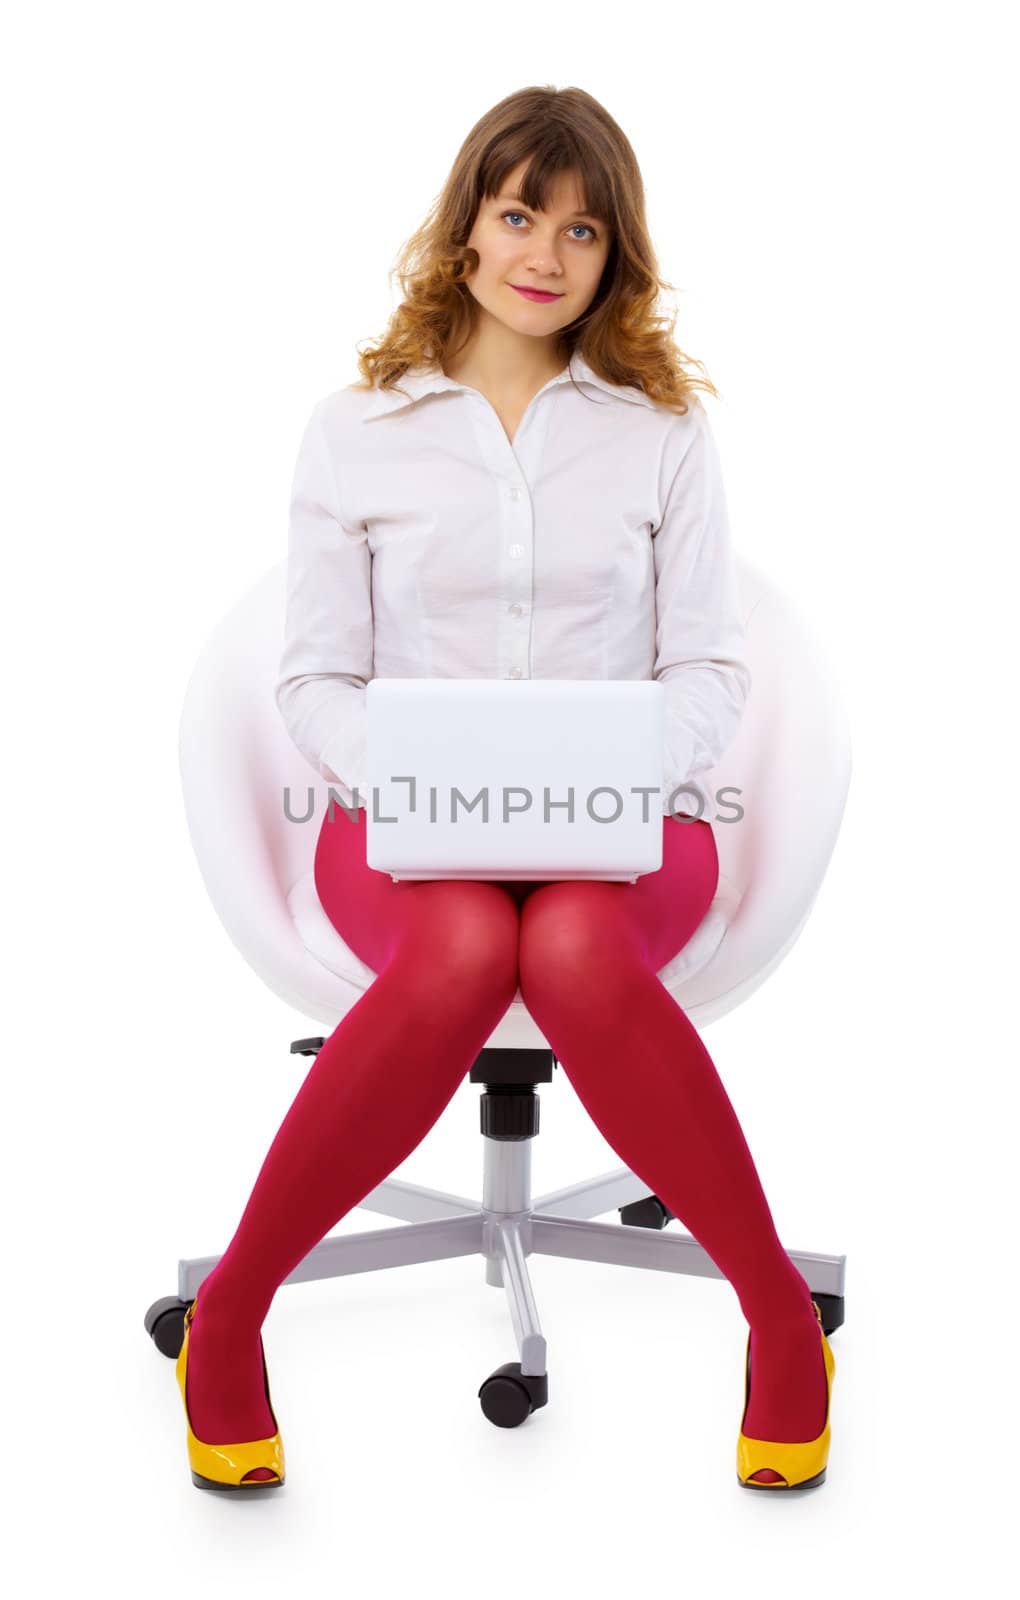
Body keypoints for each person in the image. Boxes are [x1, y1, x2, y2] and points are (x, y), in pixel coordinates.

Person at [174, 84, 834, 1493]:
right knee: (473, 939)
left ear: (615, 255)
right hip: (408, 832)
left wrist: (602, 774)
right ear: (468, 222)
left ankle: (783, 1323)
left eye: (584, 228)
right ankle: (227, 1320)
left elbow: (714, 675)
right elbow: (310, 684)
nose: (547, 251)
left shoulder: (662, 433)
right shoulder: (358, 428)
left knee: (578, 947)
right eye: (521, 211)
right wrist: (422, 776)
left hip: (627, 828)